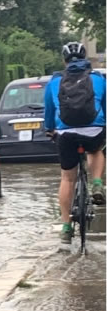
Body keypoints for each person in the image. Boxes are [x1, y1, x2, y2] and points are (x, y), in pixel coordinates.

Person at [44, 41, 106, 243]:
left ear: (64, 60)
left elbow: (49, 112)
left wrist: (49, 129)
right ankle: (97, 183)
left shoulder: (54, 82)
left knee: (67, 179)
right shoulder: (98, 79)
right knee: (96, 150)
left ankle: (66, 227)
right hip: (94, 129)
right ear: (85, 57)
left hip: (66, 133)